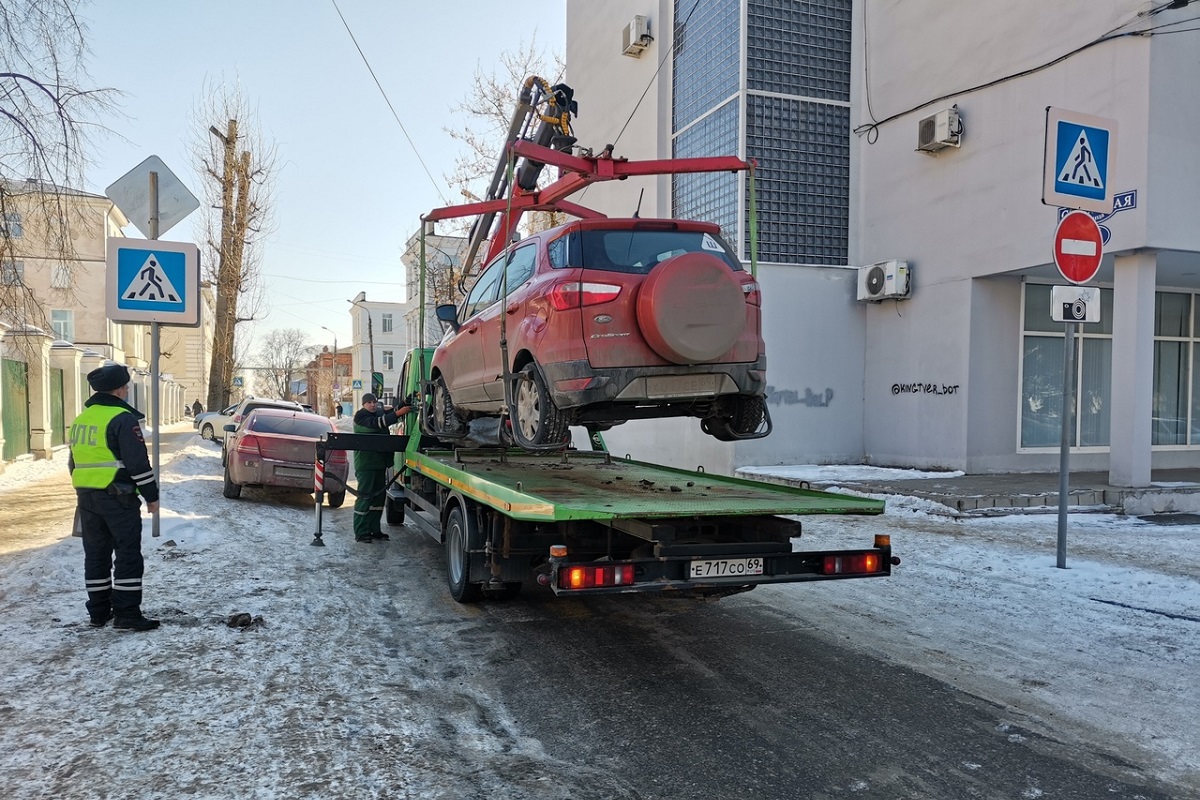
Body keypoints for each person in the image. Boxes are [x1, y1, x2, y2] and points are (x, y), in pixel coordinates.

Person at [68, 364, 161, 631]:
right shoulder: (122, 419)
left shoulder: (82, 419)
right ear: (120, 390)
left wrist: (85, 490)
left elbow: (73, 464)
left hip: (87, 499)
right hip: (118, 498)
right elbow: (138, 464)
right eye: (127, 386)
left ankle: (98, 612)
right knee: (128, 554)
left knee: (95, 555)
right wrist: (151, 496)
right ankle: (127, 614)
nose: (128, 390)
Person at [352, 393, 410, 543]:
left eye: (374, 402)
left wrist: (404, 402)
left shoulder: (377, 412)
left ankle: (374, 530)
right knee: (365, 497)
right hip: (366, 465)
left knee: (378, 499)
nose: (372, 405)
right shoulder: (361, 417)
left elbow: (388, 414)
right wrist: (398, 413)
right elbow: (379, 423)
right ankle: (361, 532)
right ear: (364, 404)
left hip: (379, 464)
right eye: (369, 402)